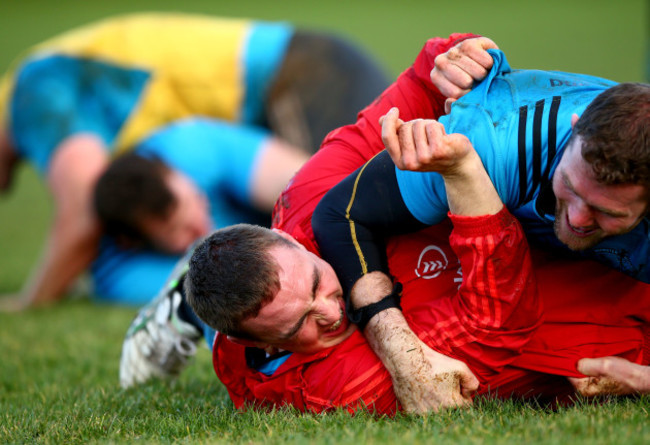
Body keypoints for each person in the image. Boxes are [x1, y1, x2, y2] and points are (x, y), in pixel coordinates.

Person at [119, 34, 649, 411]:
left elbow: (415, 88)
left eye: (318, 283)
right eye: (298, 325)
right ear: (275, 344)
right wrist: (468, 183)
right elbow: (500, 325)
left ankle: (191, 293)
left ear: (285, 237)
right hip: (602, 313)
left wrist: (456, 61)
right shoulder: (335, 382)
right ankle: (197, 300)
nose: (332, 311)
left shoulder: (308, 198)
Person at [0, 12, 389, 309]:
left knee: (353, 219)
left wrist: (31, 302)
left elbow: (83, 210)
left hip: (299, 76)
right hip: (297, 70)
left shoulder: (33, 92)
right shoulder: (45, 75)